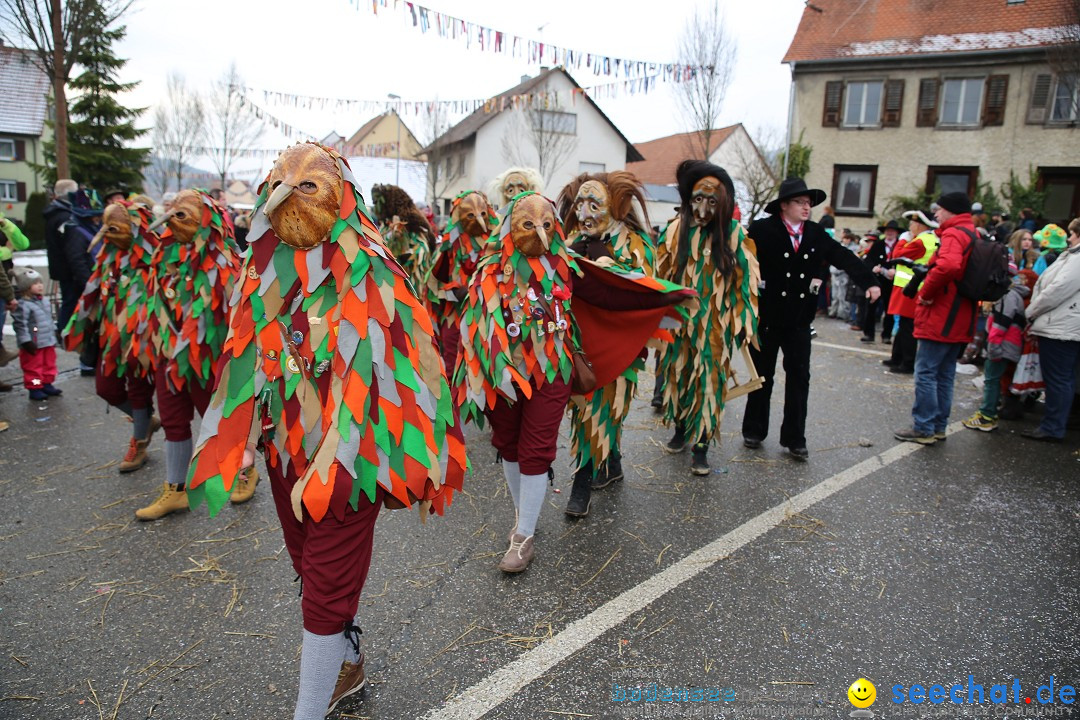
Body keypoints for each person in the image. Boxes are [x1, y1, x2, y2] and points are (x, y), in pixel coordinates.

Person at [186, 143, 466, 720]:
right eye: (280, 184)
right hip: (286, 450)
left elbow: (418, 369)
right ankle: (349, 655)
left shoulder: (374, 273)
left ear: (342, 199)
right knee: (308, 566)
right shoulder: (262, 274)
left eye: (308, 184)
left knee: (324, 586)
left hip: (351, 455)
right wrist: (238, 441)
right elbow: (247, 363)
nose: (291, 193)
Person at [558, 170, 695, 506]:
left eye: (595, 204)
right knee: (584, 407)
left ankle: (583, 481)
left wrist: (612, 266)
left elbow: (642, 287)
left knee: (606, 407)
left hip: (621, 341)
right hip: (580, 342)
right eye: (580, 204)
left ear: (616, 207)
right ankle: (613, 462)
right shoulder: (569, 240)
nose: (585, 213)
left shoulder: (634, 244)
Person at [743, 178, 880, 460]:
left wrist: (870, 282)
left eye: (809, 203)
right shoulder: (761, 229)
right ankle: (754, 430)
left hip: (799, 321)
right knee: (762, 378)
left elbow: (844, 256)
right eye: (800, 202)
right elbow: (738, 260)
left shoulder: (816, 233)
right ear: (784, 206)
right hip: (766, 319)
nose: (807, 207)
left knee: (799, 380)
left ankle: (795, 438)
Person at [135, 189, 248, 521]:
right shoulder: (163, 257)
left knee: (218, 423)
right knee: (172, 419)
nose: (175, 219)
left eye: (184, 213)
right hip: (168, 356)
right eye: (173, 212)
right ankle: (177, 489)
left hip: (208, 360)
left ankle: (244, 471)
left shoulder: (226, 262)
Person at [654, 161, 758, 476]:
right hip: (680, 321)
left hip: (715, 326)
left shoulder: (736, 235)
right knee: (677, 375)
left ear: (724, 203)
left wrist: (743, 321)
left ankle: (701, 445)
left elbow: (745, 284)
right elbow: (660, 274)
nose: (702, 209)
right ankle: (681, 427)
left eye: (711, 202)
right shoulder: (674, 231)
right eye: (697, 200)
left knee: (709, 382)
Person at [63, 201, 160, 471]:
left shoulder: (154, 261)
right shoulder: (108, 260)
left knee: (140, 389)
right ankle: (146, 422)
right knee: (106, 388)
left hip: (144, 342)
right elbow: (92, 294)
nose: (108, 236)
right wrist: (78, 326)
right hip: (111, 339)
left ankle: (139, 441)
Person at [894, 192, 979, 444]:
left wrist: (927, 293)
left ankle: (924, 427)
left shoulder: (953, 234)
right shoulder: (971, 233)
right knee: (944, 373)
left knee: (927, 372)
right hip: (959, 314)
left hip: (943, 313)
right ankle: (939, 425)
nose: (936, 215)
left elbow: (948, 266)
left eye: (939, 210)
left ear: (951, 210)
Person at [1019, 217, 1080, 442]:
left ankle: (1053, 427)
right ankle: (1058, 422)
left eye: (1072, 234)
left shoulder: (1077, 258)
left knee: (1058, 379)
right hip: (1067, 324)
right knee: (1065, 378)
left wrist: (1031, 311)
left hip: (1061, 327)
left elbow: (1058, 289)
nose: (1069, 238)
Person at [424, 190, 497, 374]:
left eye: (482, 213)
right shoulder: (449, 248)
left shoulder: (496, 247)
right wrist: (452, 291)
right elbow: (432, 286)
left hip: (487, 317)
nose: (478, 219)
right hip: (454, 316)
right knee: (452, 364)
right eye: (470, 215)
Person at [962, 262, 1028, 432]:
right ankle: (989, 412)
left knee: (991, 380)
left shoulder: (1007, 296)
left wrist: (993, 347)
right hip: (1007, 345)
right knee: (994, 379)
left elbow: (1000, 324)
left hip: (1003, 346)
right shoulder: (1012, 295)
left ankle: (987, 415)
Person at [883, 210, 939, 374]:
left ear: (920, 225)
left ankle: (907, 362)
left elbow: (897, 254)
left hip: (910, 288)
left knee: (907, 327)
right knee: (904, 326)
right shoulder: (929, 239)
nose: (910, 227)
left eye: (912, 223)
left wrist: (902, 241)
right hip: (910, 286)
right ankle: (897, 357)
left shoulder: (921, 241)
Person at [11, 268, 61, 401]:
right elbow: (20, 325)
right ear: (26, 287)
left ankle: (47, 383)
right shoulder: (23, 305)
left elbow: (49, 319)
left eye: (40, 282)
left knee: (49, 364)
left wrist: (55, 332)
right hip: (34, 343)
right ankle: (35, 388)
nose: (40, 286)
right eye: (35, 283)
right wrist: (26, 341)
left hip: (47, 341)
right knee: (33, 367)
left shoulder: (44, 301)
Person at [369, 184, 434, 285]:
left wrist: (405, 259)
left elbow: (422, 250)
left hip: (406, 280)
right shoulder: (386, 226)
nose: (375, 207)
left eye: (376, 202)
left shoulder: (412, 224)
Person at [44, 179, 79, 329]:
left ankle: (64, 329)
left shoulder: (55, 213)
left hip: (62, 265)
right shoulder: (63, 217)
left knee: (68, 299)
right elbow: (69, 244)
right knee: (70, 301)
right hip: (68, 267)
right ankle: (64, 330)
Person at [0, 211, 30, 373]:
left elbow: (23, 244)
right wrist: (5, 251)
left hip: (4, 283)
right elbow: (8, 250)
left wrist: (6, 225)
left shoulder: (4, 222)